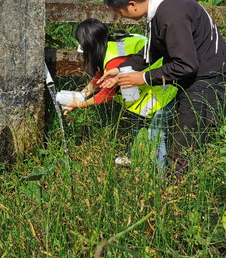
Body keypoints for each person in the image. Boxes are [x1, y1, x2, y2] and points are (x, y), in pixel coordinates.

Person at [98, 0, 226, 178]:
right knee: (181, 140)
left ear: (132, 5)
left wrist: (142, 78)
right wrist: (122, 69)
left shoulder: (171, 14)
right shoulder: (163, 7)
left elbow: (185, 65)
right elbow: (153, 50)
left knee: (183, 148)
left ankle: (175, 196)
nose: (121, 17)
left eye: (120, 12)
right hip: (197, 80)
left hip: (207, 83)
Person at [63, 18, 178, 169]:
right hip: (148, 91)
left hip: (163, 93)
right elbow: (99, 77)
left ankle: (160, 176)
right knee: (137, 125)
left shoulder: (113, 60)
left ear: (90, 45)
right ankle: (131, 157)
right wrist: (82, 94)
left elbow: (106, 95)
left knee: (156, 135)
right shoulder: (110, 46)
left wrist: (80, 104)